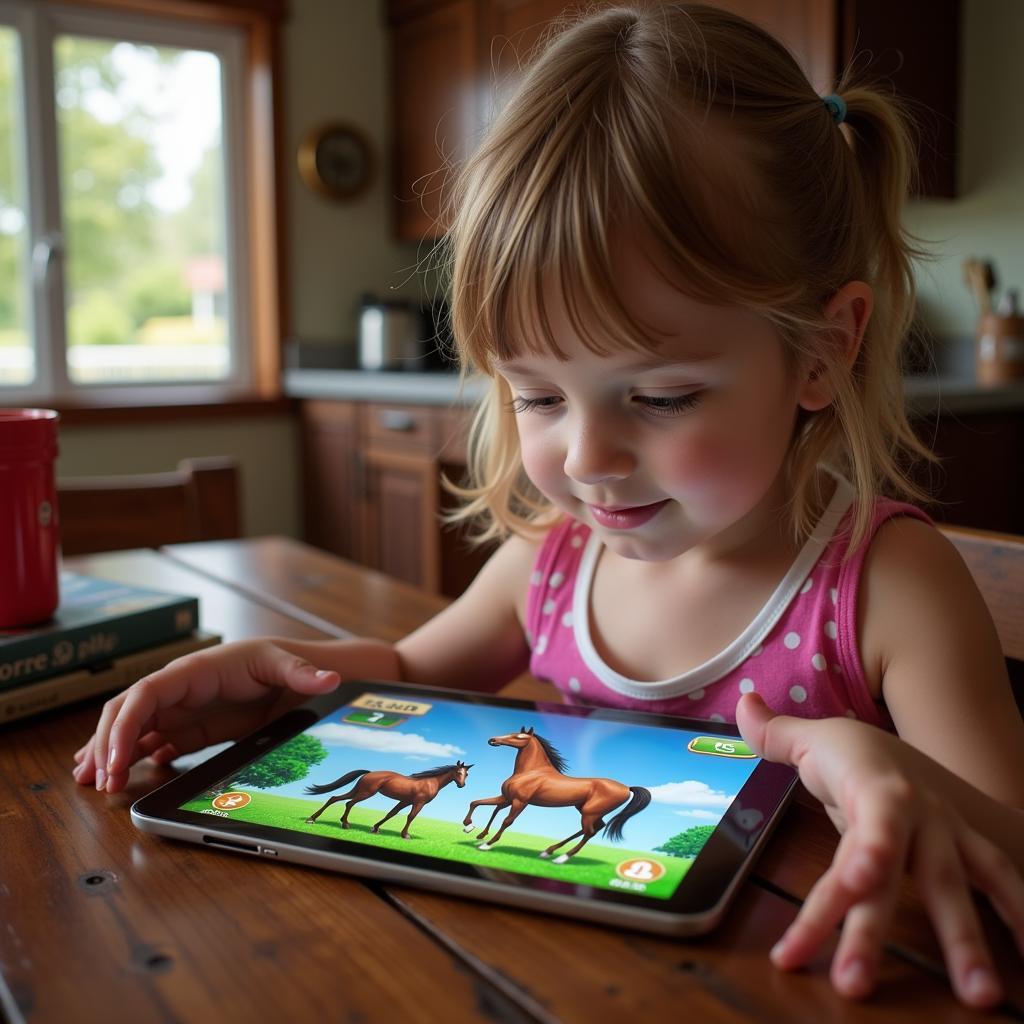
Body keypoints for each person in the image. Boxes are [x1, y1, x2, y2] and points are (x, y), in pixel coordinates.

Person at [74, 2, 1024, 1009]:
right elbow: (407, 674)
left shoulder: (885, 589)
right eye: (534, 395)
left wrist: (890, 770)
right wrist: (277, 684)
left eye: (659, 396)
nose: (586, 456)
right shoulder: (554, 561)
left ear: (824, 350)